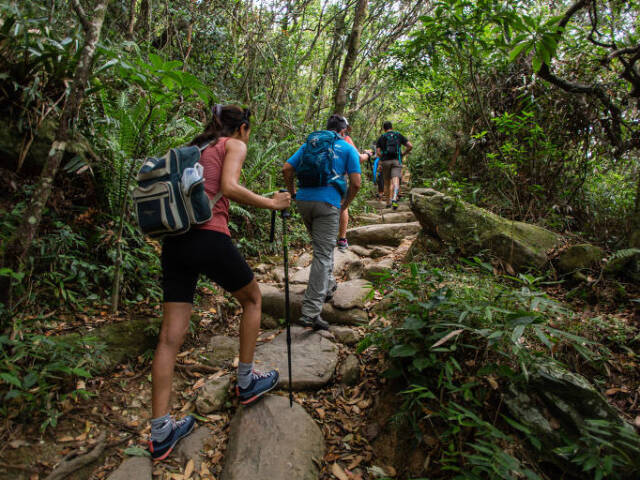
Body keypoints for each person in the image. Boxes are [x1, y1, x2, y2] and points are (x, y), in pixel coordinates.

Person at [148, 105, 291, 461]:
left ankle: (161, 431)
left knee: (169, 337)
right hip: (209, 237)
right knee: (254, 300)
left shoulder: (197, 149)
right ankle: (246, 381)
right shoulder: (233, 145)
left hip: (175, 242)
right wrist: (272, 203)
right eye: (249, 130)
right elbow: (228, 187)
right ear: (242, 127)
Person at [283, 114, 361, 330]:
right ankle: (310, 312)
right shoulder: (346, 148)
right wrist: (344, 205)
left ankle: (326, 287)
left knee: (320, 250)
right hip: (328, 205)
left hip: (304, 202)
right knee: (324, 255)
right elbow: (356, 183)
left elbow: (287, 168)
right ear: (344, 131)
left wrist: (293, 193)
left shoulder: (311, 143)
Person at [337, 119, 372, 250]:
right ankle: (341, 239)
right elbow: (358, 158)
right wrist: (367, 154)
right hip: (339, 176)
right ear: (344, 128)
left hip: (320, 179)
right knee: (342, 206)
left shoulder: (321, 140)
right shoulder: (346, 139)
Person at [376, 121, 412, 210]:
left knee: (387, 182)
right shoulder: (398, 135)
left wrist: (383, 157)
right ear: (392, 127)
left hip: (385, 162)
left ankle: (388, 202)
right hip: (396, 161)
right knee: (395, 180)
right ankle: (394, 198)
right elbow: (410, 146)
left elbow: (378, 152)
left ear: (384, 129)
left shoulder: (381, 138)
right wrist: (402, 154)